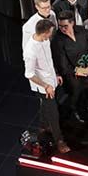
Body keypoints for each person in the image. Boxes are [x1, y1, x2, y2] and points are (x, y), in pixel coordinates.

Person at [25, 18, 71, 154]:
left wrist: (55, 74)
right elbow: (29, 74)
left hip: (52, 80)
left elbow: (48, 61)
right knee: (53, 112)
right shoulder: (30, 51)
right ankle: (59, 141)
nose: (51, 34)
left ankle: (43, 126)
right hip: (43, 87)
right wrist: (46, 86)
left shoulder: (45, 41)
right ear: (44, 33)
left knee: (46, 106)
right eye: (50, 32)